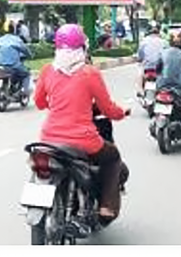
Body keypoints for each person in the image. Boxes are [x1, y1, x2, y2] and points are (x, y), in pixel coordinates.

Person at [34, 24, 130, 224]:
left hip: (48, 139)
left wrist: (57, 104)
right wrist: (121, 113)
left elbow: (39, 102)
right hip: (83, 140)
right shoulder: (90, 73)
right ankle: (107, 206)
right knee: (113, 158)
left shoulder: (47, 70)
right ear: (83, 48)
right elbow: (107, 109)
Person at [136, 24, 165, 96]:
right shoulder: (164, 42)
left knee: (140, 69)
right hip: (160, 68)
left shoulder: (143, 42)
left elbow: (140, 56)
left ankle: (140, 89)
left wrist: (140, 60)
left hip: (148, 68)